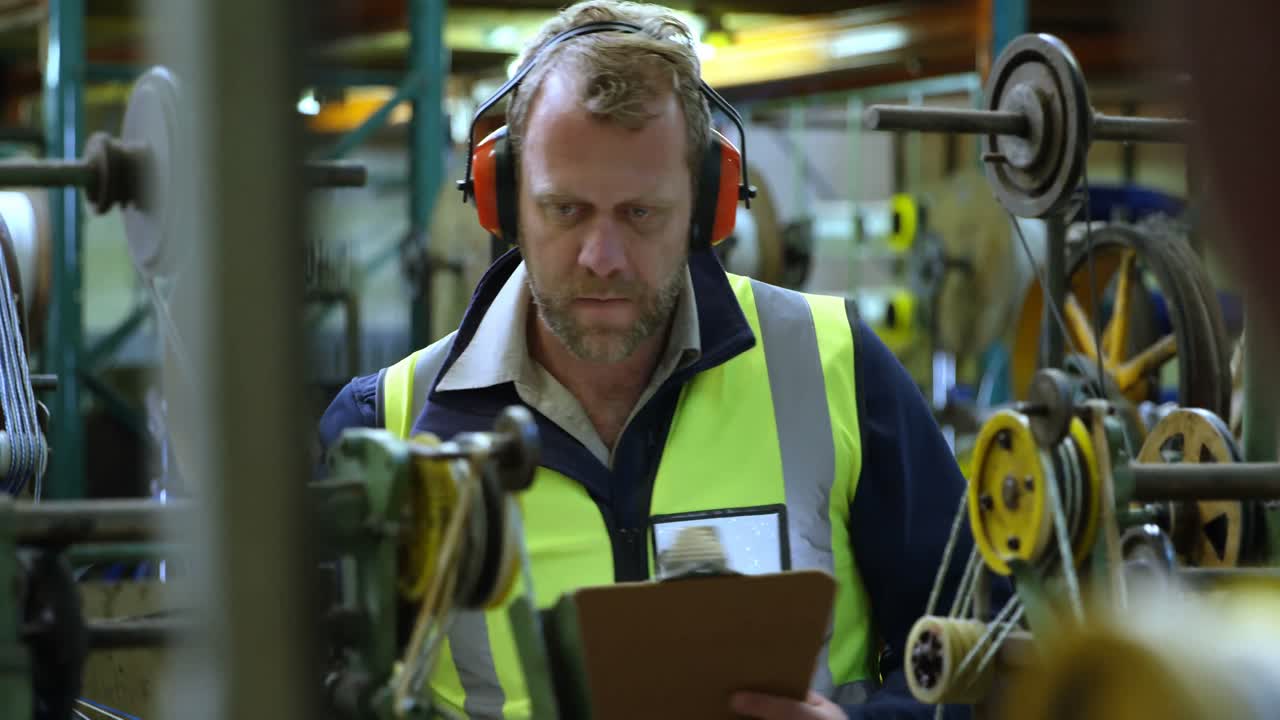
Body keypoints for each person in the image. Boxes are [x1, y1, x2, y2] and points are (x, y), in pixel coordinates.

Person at [319, 2, 979, 718]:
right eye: (565, 211)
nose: (602, 259)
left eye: (641, 214)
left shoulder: (835, 371)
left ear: (708, 206)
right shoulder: (388, 429)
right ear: (502, 200)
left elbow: (987, 652)